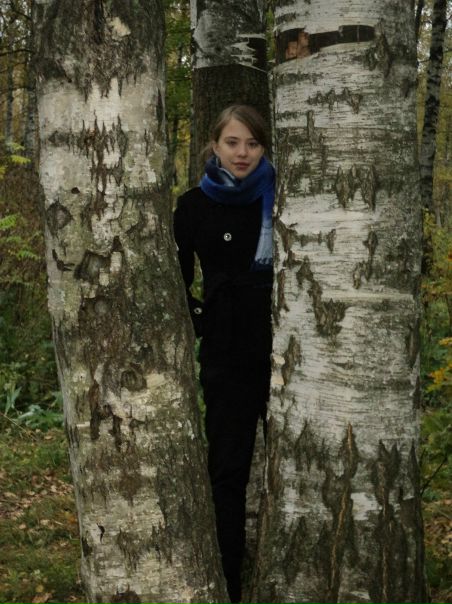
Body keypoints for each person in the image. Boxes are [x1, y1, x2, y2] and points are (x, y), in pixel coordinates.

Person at [173, 105, 274, 604]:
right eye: (233, 142)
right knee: (228, 470)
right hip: (226, 351)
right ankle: (230, 584)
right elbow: (176, 277)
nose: (242, 153)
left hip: (284, 349)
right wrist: (202, 315)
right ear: (213, 144)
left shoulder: (280, 199)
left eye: (253, 144)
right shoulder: (193, 206)